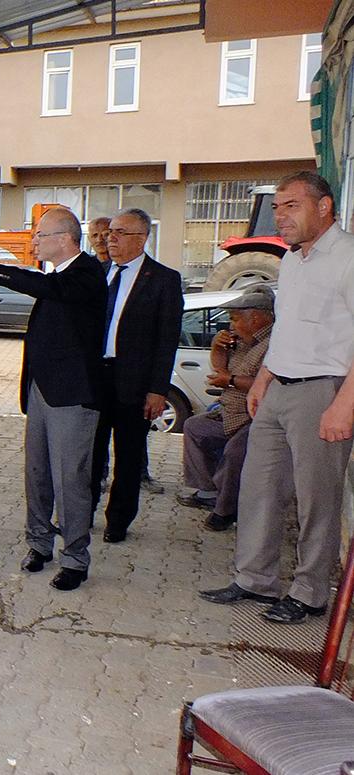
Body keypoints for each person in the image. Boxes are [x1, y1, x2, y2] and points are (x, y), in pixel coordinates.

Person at [200, 171, 354, 624]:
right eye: (278, 206)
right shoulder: (291, 261)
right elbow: (283, 328)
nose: (280, 216)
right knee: (259, 487)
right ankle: (255, 580)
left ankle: (309, 593)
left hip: (323, 392)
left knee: (316, 498)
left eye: (291, 206)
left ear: (324, 206)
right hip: (279, 388)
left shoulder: (348, 256)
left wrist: (344, 404)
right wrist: (264, 377)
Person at [0, 208, 105, 590]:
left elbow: (48, 289)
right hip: (41, 390)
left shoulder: (86, 274)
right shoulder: (57, 275)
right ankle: (39, 543)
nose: (35, 241)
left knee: (69, 479)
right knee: (37, 473)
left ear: (65, 238)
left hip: (72, 395)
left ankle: (75, 558)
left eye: (40, 235)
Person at [89, 208, 183, 543]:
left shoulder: (163, 280)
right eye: (109, 231)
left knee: (127, 456)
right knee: (90, 452)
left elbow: (167, 339)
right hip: (95, 379)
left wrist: (157, 389)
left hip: (134, 382)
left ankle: (118, 521)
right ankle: (82, 514)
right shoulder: (97, 274)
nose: (109, 238)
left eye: (119, 233)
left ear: (142, 238)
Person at [176, 287, 273, 531]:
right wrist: (217, 349)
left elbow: (265, 384)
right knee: (195, 427)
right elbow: (220, 372)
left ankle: (226, 510)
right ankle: (209, 492)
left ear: (257, 318)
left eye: (235, 318)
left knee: (235, 452)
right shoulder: (241, 340)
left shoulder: (274, 344)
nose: (231, 325)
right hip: (229, 411)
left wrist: (230, 381)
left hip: (256, 417)